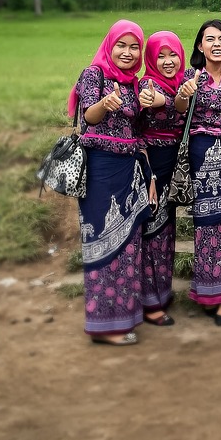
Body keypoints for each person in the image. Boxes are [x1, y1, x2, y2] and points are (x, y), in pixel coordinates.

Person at [70, 20, 153, 346]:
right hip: (99, 171)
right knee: (102, 246)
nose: (128, 53)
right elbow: (87, 116)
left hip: (127, 171)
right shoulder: (94, 75)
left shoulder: (135, 86)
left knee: (128, 246)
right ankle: (104, 325)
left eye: (135, 47)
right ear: (110, 45)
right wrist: (103, 105)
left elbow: (138, 132)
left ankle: (123, 317)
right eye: (122, 45)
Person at [174, 19, 221, 326]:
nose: (217, 44)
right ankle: (207, 290)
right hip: (201, 153)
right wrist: (184, 93)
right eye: (210, 39)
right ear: (199, 46)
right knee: (206, 225)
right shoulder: (191, 76)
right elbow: (180, 109)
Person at [136, 30, 189, 327]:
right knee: (152, 233)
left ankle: (160, 294)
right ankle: (149, 302)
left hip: (174, 162)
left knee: (166, 233)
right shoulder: (147, 84)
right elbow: (140, 122)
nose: (168, 61)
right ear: (152, 59)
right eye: (161, 56)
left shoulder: (182, 83)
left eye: (173, 55)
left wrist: (168, 100)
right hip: (152, 165)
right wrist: (160, 101)